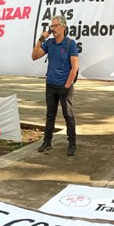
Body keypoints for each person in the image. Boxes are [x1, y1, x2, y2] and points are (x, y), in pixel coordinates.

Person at [32, 15, 79, 156]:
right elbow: (34, 56)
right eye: (51, 26)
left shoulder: (70, 44)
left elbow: (75, 67)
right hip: (50, 85)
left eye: (55, 26)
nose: (52, 29)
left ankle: (72, 144)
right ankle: (47, 142)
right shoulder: (50, 43)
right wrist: (41, 40)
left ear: (63, 27)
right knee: (50, 115)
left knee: (68, 115)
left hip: (65, 86)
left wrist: (67, 85)